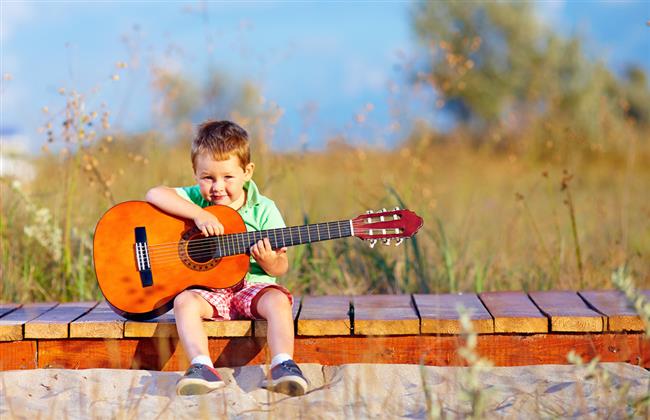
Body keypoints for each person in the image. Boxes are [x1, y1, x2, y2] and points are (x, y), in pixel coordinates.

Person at [145, 120, 308, 396]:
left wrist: (269, 262)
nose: (217, 187)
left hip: (252, 287)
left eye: (228, 177)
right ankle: (201, 365)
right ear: (196, 174)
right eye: (207, 177)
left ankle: (283, 363)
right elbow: (154, 193)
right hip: (210, 292)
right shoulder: (197, 200)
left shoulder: (264, 209)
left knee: (278, 300)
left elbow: (282, 264)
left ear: (247, 172)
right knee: (184, 301)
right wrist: (198, 214)